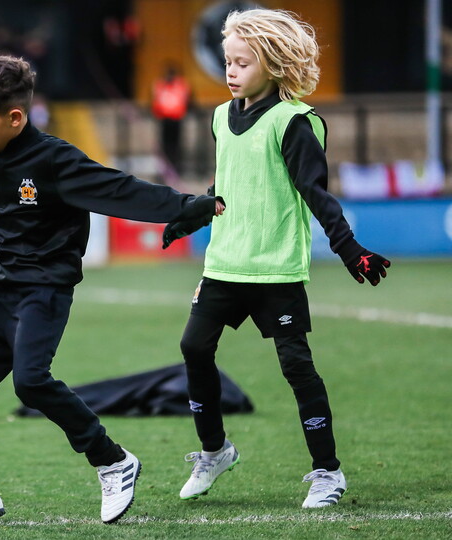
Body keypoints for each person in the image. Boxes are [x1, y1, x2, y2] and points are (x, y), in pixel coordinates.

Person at [0, 54, 222, 527]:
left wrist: (186, 206)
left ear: (15, 117)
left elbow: (120, 189)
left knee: (31, 381)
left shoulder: (54, 160)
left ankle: (112, 460)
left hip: (44, 290)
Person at [161, 9, 391, 509]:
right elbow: (226, 186)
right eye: (228, 61)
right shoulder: (222, 116)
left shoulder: (295, 122)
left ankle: (327, 472)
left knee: (296, 366)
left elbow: (316, 194)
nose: (231, 71)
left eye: (242, 62)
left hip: (275, 269)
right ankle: (215, 451)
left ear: (272, 64)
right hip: (223, 263)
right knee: (194, 347)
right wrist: (191, 216)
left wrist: (349, 250)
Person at [151, 63, 191, 180]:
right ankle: (164, 170)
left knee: (176, 146)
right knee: (164, 146)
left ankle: (176, 169)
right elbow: (155, 100)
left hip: (177, 119)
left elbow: (187, 100)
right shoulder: (160, 85)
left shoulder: (181, 85)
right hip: (164, 119)